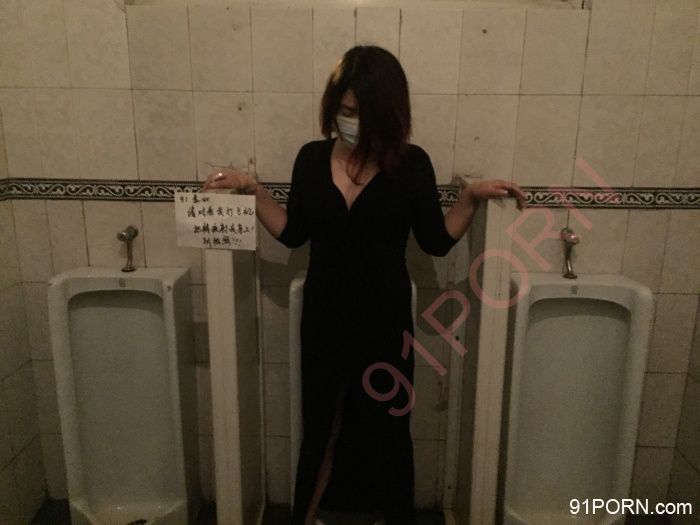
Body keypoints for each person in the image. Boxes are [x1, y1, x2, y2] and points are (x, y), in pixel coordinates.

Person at [202, 45, 526, 525]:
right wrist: (252, 189)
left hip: (385, 320)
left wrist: (471, 197)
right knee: (320, 429)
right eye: (344, 109)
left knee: (390, 431)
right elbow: (293, 232)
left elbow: (435, 241)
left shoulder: (412, 164)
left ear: (388, 112)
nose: (349, 121)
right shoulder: (311, 158)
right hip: (324, 316)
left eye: (361, 112)